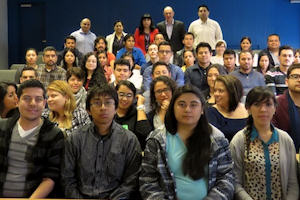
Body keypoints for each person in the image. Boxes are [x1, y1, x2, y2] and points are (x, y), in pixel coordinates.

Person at [140, 84, 234, 199]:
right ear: (173, 108)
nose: (187, 109)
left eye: (193, 105)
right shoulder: (157, 139)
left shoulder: (217, 138)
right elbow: (147, 181)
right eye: (181, 104)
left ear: (202, 110)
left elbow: (226, 177)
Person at [61, 84, 141, 199]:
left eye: (108, 102)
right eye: (97, 103)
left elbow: (131, 181)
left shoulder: (129, 140)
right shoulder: (75, 138)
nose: (103, 107)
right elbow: (67, 178)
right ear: (88, 110)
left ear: (116, 108)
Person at [230, 86, 299, 200]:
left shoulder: (285, 139)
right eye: (257, 104)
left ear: (275, 108)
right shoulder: (239, 141)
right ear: (248, 108)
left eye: (268, 104)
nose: (263, 109)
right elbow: (235, 182)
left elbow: (292, 182)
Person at [0, 79, 64, 198]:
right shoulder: (2, 128)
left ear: (44, 103)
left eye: (38, 99)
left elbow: (50, 177)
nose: (33, 103)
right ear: (17, 101)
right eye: (27, 98)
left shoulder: (54, 134)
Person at [206, 75, 248, 141]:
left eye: (220, 91)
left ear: (232, 92)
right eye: (215, 90)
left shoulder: (248, 110)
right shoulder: (211, 113)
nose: (216, 94)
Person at [115, 80, 152, 149]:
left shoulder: (138, 113)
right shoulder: (109, 112)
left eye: (129, 95)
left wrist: (140, 105)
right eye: (121, 95)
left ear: (134, 98)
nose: (125, 99)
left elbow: (145, 135)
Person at [272, 64, 300, 151]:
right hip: (283, 155)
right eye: (295, 76)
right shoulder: (276, 105)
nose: (299, 80)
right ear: (286, 81)